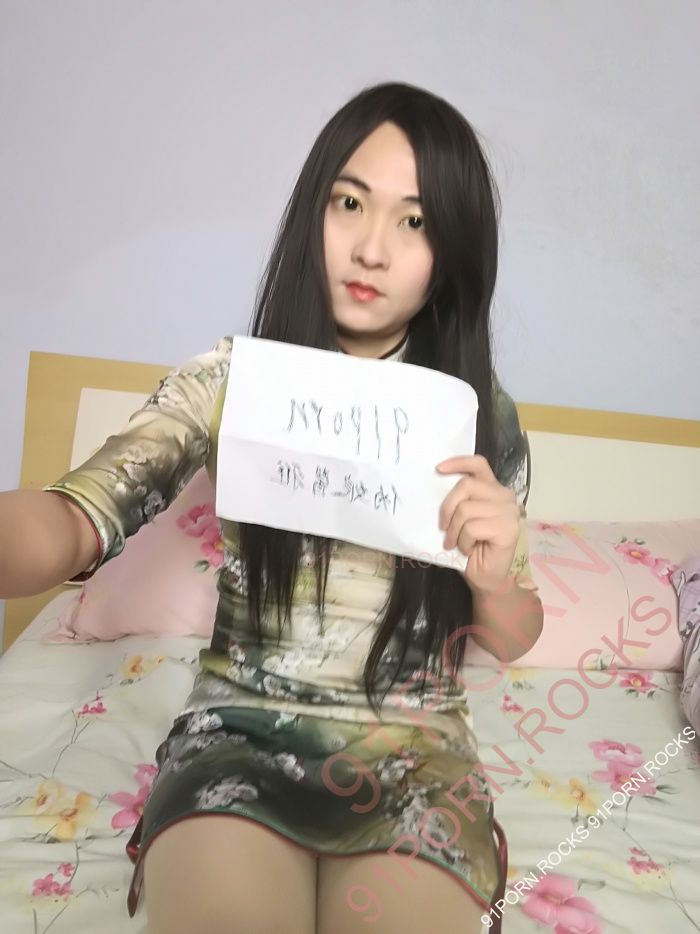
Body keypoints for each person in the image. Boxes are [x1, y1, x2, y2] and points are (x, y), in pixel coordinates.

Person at [0, 81, 543, 934]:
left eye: (415, 221)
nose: (371, 248)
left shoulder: (480, 417)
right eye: (349, 203)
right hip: (239, 733)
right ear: (312, 209)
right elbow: (78, 515)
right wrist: (50, 529)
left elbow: (512, 635)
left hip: (416, 753)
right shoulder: (232, 379)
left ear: (452, 251)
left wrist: (496, 572)